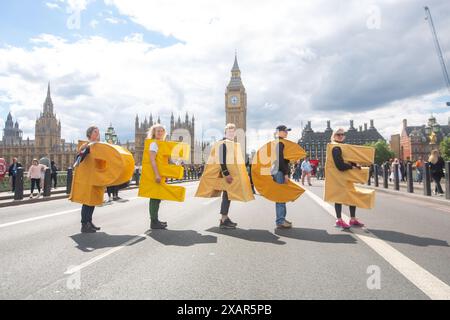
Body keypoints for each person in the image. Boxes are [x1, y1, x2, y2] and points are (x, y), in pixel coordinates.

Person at [329, 128, 365, 229]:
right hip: (339, 177)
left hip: (346, 177)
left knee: (352, 197)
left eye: (342, 134)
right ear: (334, 136)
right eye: (338, 134)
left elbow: (347, 158)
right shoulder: (335, 147)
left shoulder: (342, 147)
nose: (340, 136)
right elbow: (340, 165)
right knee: (338, 198)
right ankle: (339, 220)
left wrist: (355, 165)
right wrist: (351, 167)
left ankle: (352, 219)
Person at [76, 126, 102, 233]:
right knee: (87, 201)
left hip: (95, 176)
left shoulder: (98, 146)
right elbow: (79, 158)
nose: (98, 134)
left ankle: (89, 222)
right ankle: (84, 224)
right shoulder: (87, 145)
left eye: (98, 132)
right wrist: (82, 152)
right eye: (95, 132)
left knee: (93, 200)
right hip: (88, 177)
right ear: (90, 134)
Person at [216, 124, 240, 229]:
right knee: (226, 196)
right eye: (229, 131)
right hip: (226, 175)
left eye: (233, 132)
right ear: (225, 132)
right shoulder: (223, 143)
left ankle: (224, 218)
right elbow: (221, 160)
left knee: (228, 196)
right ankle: (224, 219)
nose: (232, 133)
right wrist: (226, 174)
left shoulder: (231, 143)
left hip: (230, 174)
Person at [147, 124, 169, 230]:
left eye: (162, 131)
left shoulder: (161, 144)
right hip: (155, 174)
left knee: (158, 197)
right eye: (158, 131)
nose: (160, 133)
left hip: (160, 174)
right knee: (154, 197)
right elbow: (152, 160)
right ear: (154, 133)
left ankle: (155, 220)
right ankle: (154, 222)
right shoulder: (154, 144)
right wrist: (157, 174)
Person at [272, 125, 293, 229]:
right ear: (278, 132)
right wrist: (285, 173)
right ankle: (280, 220)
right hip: (279, 171)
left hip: (277, 171)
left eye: (287, 131)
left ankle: (281, 219)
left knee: (281, 196)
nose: (286, 132)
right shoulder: (280, 143)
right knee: (281, 196)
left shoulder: (279, 142)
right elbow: (280, 160)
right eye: (284, 131)